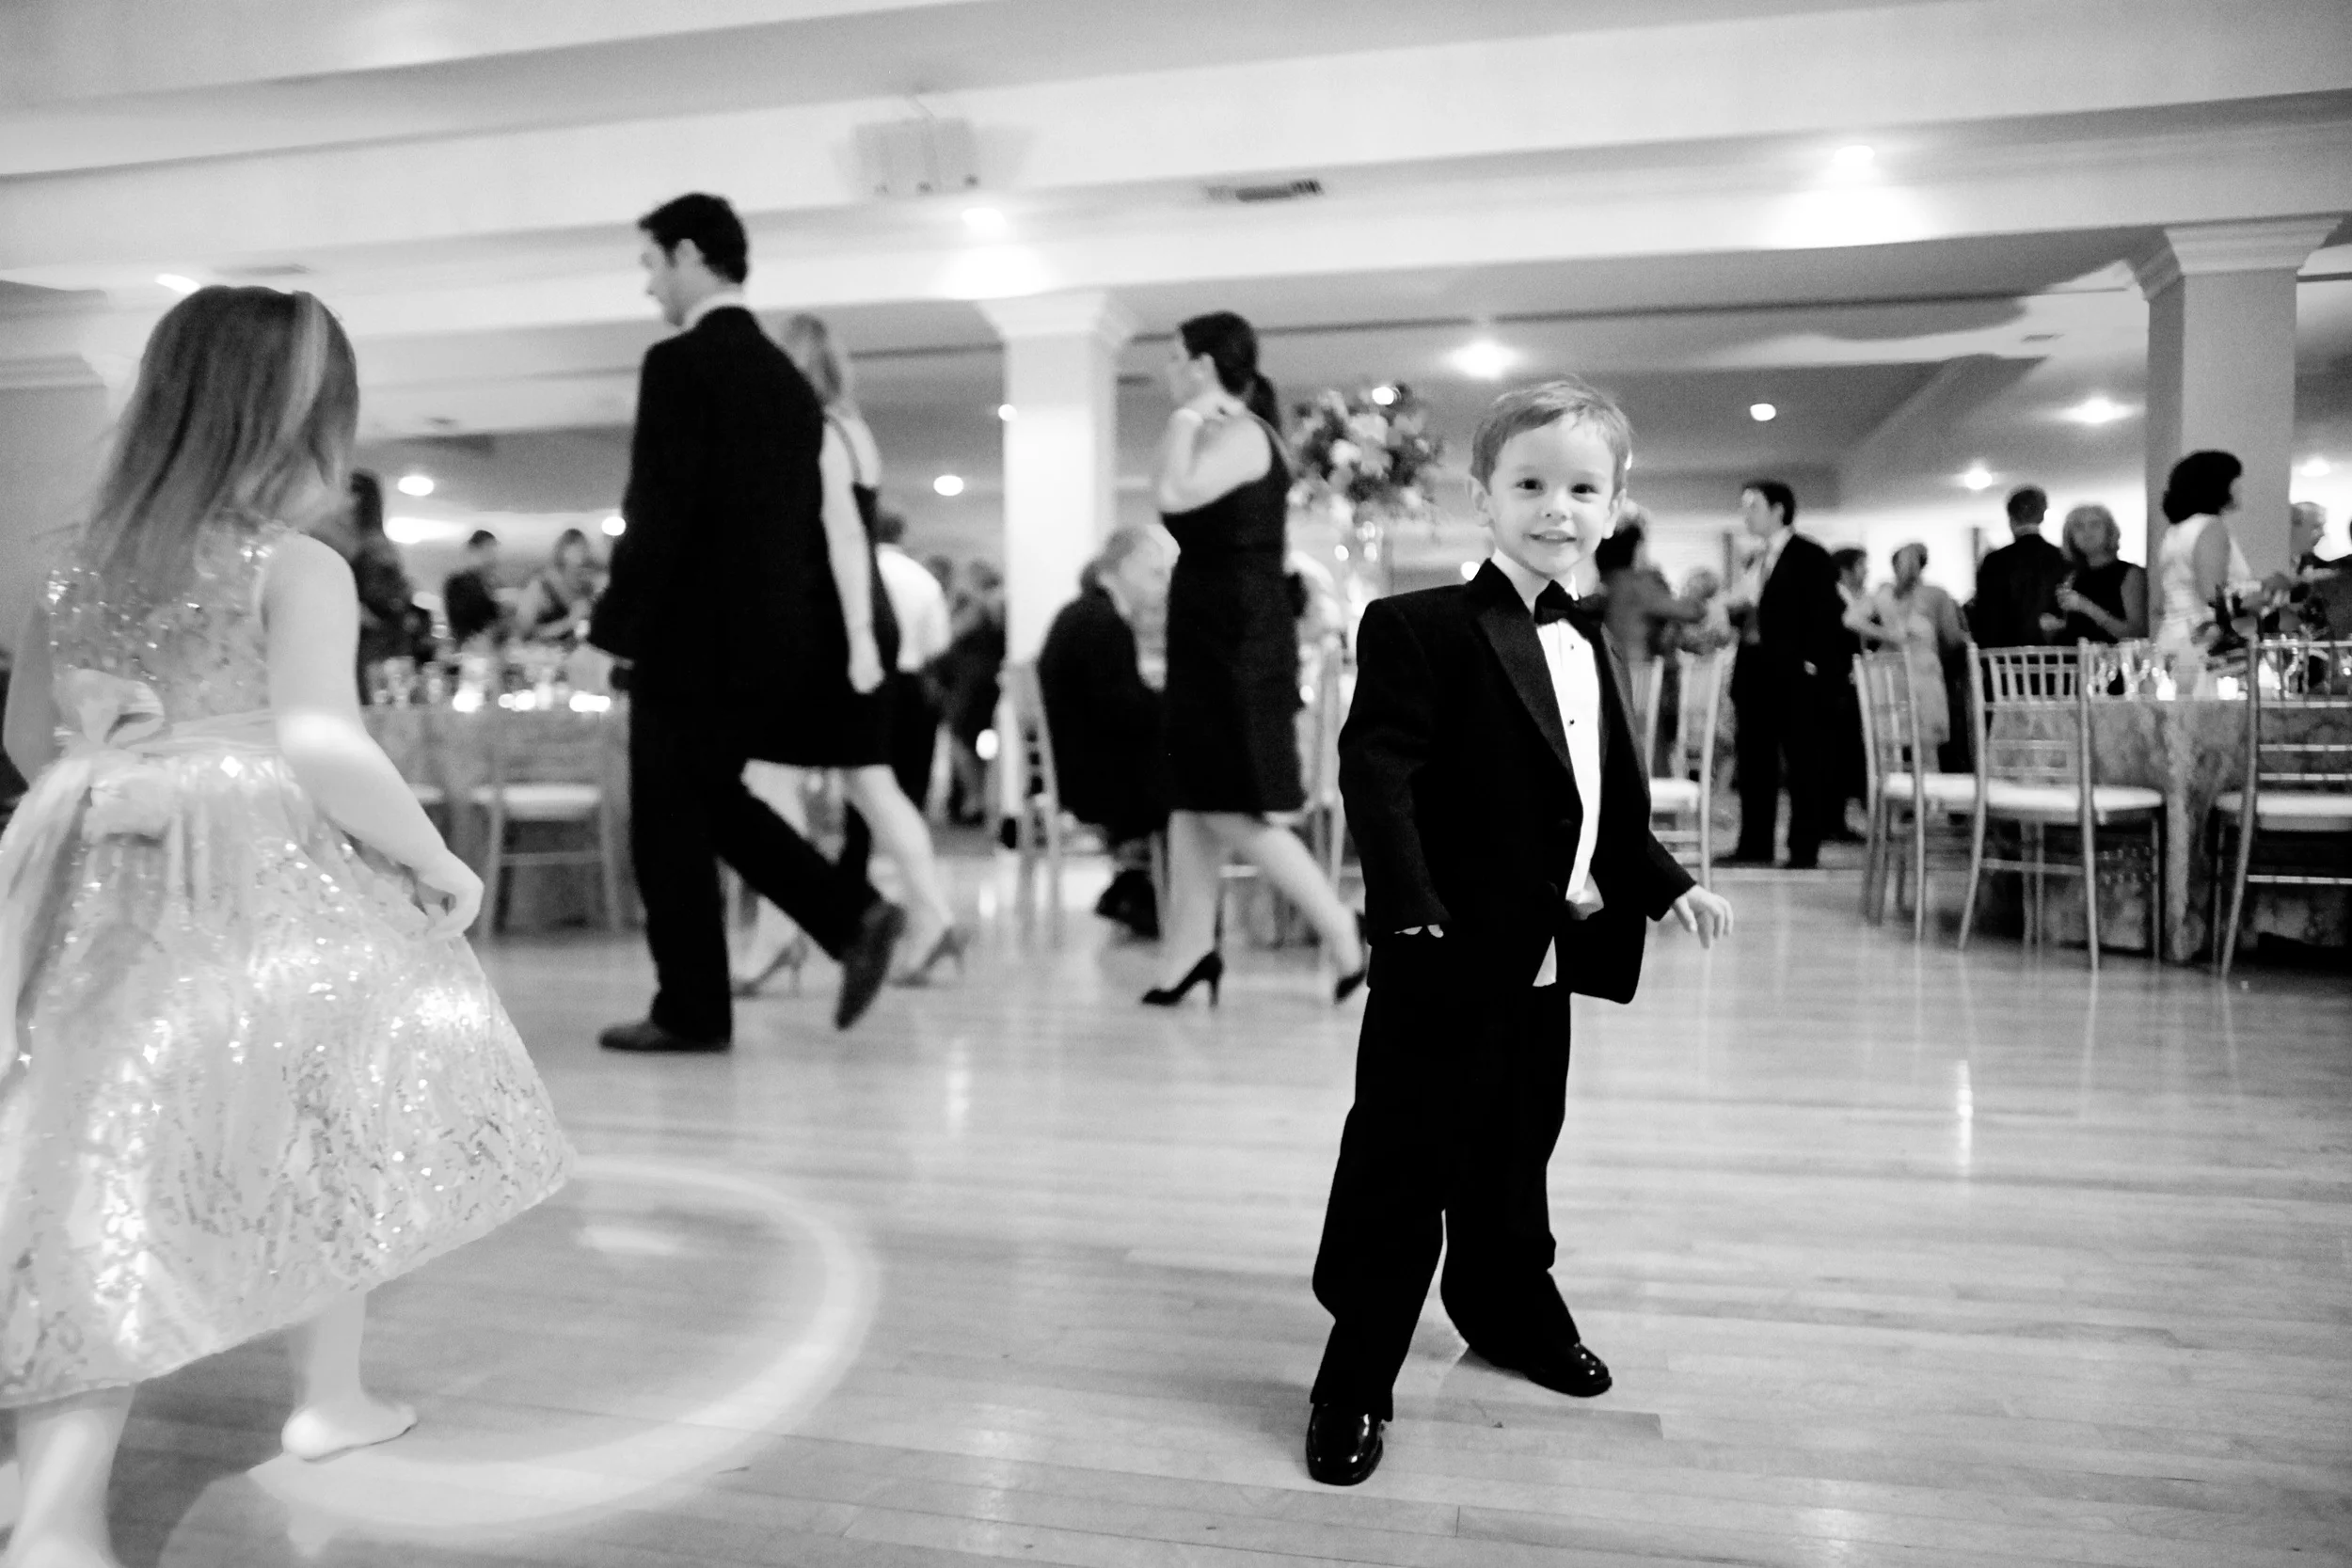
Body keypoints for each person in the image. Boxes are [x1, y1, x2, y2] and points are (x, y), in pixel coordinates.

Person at [0, 286, 570, 1567]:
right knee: (329, 1110)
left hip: (98, 864)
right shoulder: (294, 565)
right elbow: (323, 738)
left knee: (90, 1144)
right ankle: (318, 1397)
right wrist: (431, 856)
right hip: (265, 869)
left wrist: (114, 766)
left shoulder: (64, 560)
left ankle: (57, 1494)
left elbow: (25, 736)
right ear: (306, 421)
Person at [1305, 379, 1734, 1488]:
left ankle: (1503, 1306)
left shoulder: (1589, 642)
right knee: (1404, 1157)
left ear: (1614, 502)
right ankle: (1353, 1374)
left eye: (1581, 488)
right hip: (1444, 946)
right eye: (1531, 484)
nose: (1557, 507)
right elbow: (1378, 771)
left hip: (1547, 952)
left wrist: (1664, 882)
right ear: (1482, 498)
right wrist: (1406, 902)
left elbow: (1596, 800)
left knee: (1513, 1144)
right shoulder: (1419, 626)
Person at [587, 192, 904, 1052]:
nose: (650, 287)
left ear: (691, 256)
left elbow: (658, 509)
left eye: (652, 264)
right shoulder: (786, 384)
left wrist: (611, 632)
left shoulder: (680, 364)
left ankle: (696, 1007)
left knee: (666, 822)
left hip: (689, 641)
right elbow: (801, 528)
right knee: (707, 804)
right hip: (768, 645)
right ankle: (849, 917)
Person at [725, 311, 960, 994]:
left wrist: (856, 641)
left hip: (827, 627)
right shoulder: (852, 429)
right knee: (868, 782)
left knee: (770, 784)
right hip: (848, 624)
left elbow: (844, 544)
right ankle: (933, 920)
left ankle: (775, 940)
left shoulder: (814, 435)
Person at [1146, 310, 1366, 1006]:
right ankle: (1189, 955)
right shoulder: (1230, 430)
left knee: (1234, 805)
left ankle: (1342, 930)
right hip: (1214, 629)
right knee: (1191, 802)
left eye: (1177, 357)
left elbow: (1173, 495)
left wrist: (1184, 421)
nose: (1169, 370)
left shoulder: (1240, 432)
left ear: (1205, 365)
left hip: (1235, 638)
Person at [1038, 526, 1177, 939]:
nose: (1164, 585)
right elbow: (1120, 709)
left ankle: (1138, 885)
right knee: (1195, 788)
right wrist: (1175, 705)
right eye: (1156, 573)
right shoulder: (1102, 622)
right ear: (1126, 567)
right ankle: (1165, 900)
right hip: (1098, 780)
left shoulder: (1082, 614)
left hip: (1083, 768)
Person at [1719, 478, 1845, 869]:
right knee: (1754, 760)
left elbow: (1825, 615)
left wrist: (1812, 666)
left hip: (1793, 675)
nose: (1745, 514)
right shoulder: (1755, 558)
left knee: (1802, 761)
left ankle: (1803, 848)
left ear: (1778, 510)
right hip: (1755, 671)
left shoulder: (1809, 555)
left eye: (1752, 506)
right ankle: (1754, 844)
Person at [834, 508, 953, 878]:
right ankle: (913, 867)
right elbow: (938, 644)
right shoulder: (923, 581)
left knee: (863, 777)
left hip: (862, 684)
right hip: (908, 686)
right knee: (911, 780)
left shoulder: (854, 571)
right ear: (903, 535)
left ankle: (855, 863)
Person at [1846, 542, 1969, 752]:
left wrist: (1887, 635)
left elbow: (1851, 619)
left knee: (1890, 746)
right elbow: (1952, 637)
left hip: (1890, 673)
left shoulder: (1884, 594)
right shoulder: (1935, 594)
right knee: (1927, 747)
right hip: (1923, 675)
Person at [2153, 449, 2252, 657]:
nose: (2241, 488)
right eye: (2236, 481)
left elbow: (2160, 604)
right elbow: (2213, 595)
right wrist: (2263, 593)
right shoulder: (2211, 528)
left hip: (2172, 639)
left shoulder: (2174, 532)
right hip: (2204, 643)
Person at [936, 560, 1005, 827]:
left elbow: (949, 637)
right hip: (977, 681)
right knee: (970, 743)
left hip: (973, 684)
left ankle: (975, 799)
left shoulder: (980, 606)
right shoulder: (993, 604)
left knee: (964, 741)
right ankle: (976, 798)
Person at [1970, 485, 2068, 648]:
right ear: (2042, 516)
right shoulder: (2062, 558)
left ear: (2011, 518)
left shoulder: (1994, 561)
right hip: (2055, 657)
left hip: (2003, 659)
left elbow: (1984, 618)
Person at [2046, 503, 2149, 644]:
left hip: (2113, 661)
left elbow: (2136, 632)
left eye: (2095, 525)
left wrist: (2086, 607)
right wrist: (2054, 626)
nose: (2087, 532)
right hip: (2077, 660)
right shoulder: (2072, 577)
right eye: (2078, 527)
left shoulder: (2130, 574)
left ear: (2109, 531)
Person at [514, 527, 602, 643]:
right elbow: (525, 633)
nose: (583, 556)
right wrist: (568, 622)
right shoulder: (541, 586)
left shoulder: (586, 587)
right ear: (563, 552)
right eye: (578, 550)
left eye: (584, 550)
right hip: (540, 656)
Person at [441, 528, 504, 645]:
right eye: (488, 551)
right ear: (474, 551)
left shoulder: (492, 584)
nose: (492, 558)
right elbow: (464, 623)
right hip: (469, 649)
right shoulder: (458, 584)